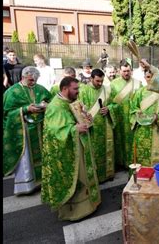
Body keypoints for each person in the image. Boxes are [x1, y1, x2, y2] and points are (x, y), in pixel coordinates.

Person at [41, 77, 101, 221]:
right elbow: (53, 132)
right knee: (78, 177)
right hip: (69, 151)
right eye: (75, 89)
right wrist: (74, 129)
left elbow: (82, 120)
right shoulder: (55, 107)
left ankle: (90, 204)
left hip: (80, 145)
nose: (78, 92)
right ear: (65, 89)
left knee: (86, 175)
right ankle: (75, 211)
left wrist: (86, 117)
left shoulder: (72, 102)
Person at [3, 67, 52, 195]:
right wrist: (25, 109)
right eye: (31, 80)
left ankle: (44, 181)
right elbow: (7, 113)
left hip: (40, 127)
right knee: (26, 159)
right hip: (24, 130)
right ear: (23, 77)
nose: (33, 82)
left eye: (35, 80)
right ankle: (27, 186)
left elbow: (51, 100)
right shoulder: (12, 92)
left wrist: (46, 104)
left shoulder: (39, 88)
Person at [78, 69, 116, 183]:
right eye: (97, 81)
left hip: (105, 127)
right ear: (91, 79)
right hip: (91, 128)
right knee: (93, 152)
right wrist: (84, 115)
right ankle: (94, 177)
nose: (100, 83)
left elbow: (115, 104)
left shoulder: (107, 89)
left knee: (105, 151)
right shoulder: (83, 91)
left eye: (102, 81)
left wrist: (109, 109)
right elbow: (78, 108)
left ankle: (107, 175)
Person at [130, 71, 159, 166]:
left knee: (156, 157)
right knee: (140, 156)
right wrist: (137, 113)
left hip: (156, 129)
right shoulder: (139, 92)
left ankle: (157, 179)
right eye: (148, 77)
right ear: (144, 77)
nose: (150, 79)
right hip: (141, 131)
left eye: (153, 77)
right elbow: (132, 109)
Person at [109, 61, 142, 168]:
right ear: (119, 71)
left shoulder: (138, 83)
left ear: (131, 71)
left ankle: (132, 162)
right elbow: (109, 102)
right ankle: (120, 163)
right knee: (120, 140)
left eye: (128, 71)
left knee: (133, 141)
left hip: (133, 118)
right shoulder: (113, 84)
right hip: (119, 118)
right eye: (124, 71)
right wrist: (110, 109)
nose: (126, 73)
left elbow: (141, 100)